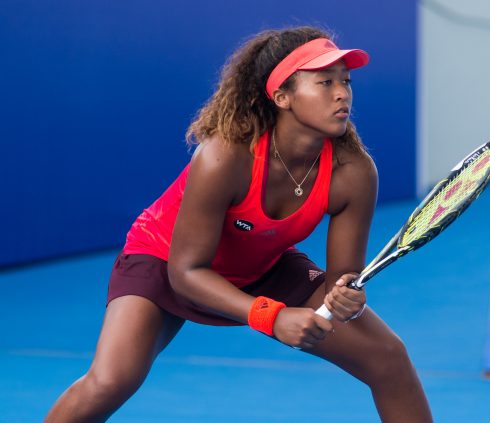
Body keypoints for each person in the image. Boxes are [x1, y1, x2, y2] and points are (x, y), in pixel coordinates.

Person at [45, 26, 432, 422]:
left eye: (346, 82)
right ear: (282, 96)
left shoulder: (353, 172)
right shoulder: (224, 156)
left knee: (388, 359)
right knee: (112, 380)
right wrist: (271, 316)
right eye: (324, 82)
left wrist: (345, 297)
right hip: (167, 259)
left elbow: (341, 277)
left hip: (260, 263)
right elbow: (186, 272)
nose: (341, 93)